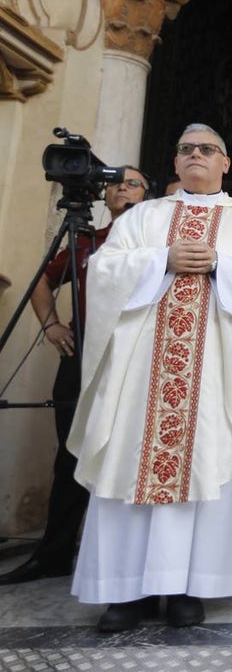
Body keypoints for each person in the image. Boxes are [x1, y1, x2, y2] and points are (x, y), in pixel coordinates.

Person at [66, 124, 232, 632]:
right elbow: (101, 273)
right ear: (176, 161)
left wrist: (221, 266)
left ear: (225, 163)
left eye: (207, 150)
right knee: (128, 463)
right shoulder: (144, 218)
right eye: (186, 149)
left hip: (211, 377)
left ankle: (190, 588)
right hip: (141, 375)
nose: (196, 156)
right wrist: (159, 260)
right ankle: (125, 592)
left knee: (205, 463)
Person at [0, 169, 149, 586]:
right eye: (116, 182)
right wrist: (51, 326)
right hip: (83, 354)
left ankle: (125, 558)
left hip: (134, 356)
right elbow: (41, 283)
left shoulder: (156, 244)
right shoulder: (86, 241)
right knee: (70, 455)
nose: (122, 187)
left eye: (133, 182)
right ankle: (55, 554)